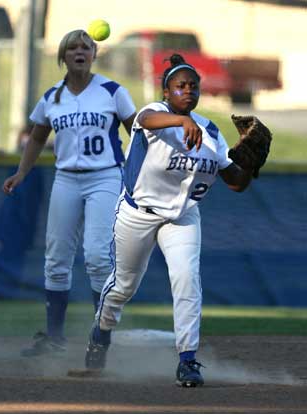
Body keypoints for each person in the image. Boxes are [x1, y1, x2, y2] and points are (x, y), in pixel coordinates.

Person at [84, 54, 253, 387]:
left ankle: (187, 360)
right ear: (166, 92)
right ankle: (100, 334)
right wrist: (180, 122)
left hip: (183, 217)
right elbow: (146, 119)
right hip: (138, 213)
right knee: (122, 287)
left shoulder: (211, 131)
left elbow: (235, 182)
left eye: (193, 86)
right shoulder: (154, 115)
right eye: (180, 86)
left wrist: (250, 166)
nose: (187, 91)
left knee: (187, 280)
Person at [2, 29, 136, 356]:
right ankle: (54, 338)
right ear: (63, 56)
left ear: (94, 54)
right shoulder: (52, 97)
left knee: (96, 257)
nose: (80, 52)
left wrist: (137, 172)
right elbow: (36, 137)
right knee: (56, 260)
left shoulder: (112, 91)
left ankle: (99, 337)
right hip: (66, 179)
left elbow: (137, 133)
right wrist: (22, 171)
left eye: (86, 47)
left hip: (104, 177)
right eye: (73, 47)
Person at [0, 125, 44, 299]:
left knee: (16, 259)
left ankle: (7, 291)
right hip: (10, 222)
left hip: (25, 223)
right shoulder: (14, 162)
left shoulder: (38, 167)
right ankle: (0, 291)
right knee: (7, 257)